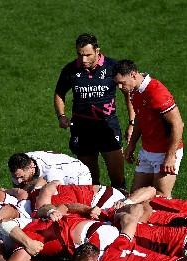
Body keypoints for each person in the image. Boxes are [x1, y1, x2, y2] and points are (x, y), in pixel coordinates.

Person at [54, 33, 134, 190]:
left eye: (87, 55)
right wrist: (61, 116)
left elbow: (128, 92)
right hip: (82, 129)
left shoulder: (112, 67)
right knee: (89, 180)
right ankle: (93, 211)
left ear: (97, 51)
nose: (83, 60)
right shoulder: (71, 69)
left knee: (118, 180)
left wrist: (132, 122)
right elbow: (59, 93)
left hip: (108, 127)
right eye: (79, 54)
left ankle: (120, 207)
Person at [114, 59, 185, 198]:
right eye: (117, 84)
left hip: (164, 152)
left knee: (161, 197)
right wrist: (132, 145)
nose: (120, 87)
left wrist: (170, 156)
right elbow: (140, 118)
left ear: (133, 75)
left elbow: (178, 124)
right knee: (135, 196)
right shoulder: (134, 91)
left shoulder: (156, 92)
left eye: (122, 83)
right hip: (147, 151)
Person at [7, 151, 92, 191]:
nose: (18, 180)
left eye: (21, 177)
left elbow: (58, 192)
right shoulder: (18, 165)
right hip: (54, 171)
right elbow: (18, 190)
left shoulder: (50, 171)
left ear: (31, 167)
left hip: (78, 175)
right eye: (15, 176)